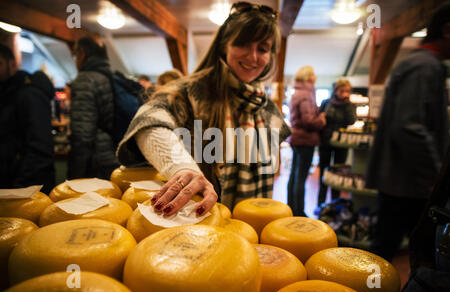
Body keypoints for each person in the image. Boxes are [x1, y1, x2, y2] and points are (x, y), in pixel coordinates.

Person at [116, 1, 290, 216]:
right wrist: (182, 169)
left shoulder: (267, 109)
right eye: (243, 44)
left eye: (263, 49)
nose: (253, 57)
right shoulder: (192, 92)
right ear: (224, 45)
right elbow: (148, 121)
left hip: (251, 224)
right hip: (198, 222)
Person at [366, 2, 450, 262]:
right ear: (447, 30)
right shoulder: (425, 66)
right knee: (401, 252)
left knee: (387, 248)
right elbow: (409, 126)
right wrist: (436, 176)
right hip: (408, 182)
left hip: (400, 179)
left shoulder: (418, 63)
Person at [0, 43, 55, 194]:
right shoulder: (7, 94)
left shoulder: (29, 94)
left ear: (12, 64)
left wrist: (20, 188)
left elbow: (40, 146)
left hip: (25, 187)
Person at [68, 35, 120, 180]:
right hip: (113, 155)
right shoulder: (110, 76)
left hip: (95, 161)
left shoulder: (85, 80)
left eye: (75, 55)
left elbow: (83, 133)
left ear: (82, 53)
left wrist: (75, 174)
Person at [287, 65, 326, 217]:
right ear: (309, 77)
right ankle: (299, 212)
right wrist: (322, 120)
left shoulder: (297, 92)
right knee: (301, 177)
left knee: (294, 175)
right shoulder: (306, 94)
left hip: (296, 138)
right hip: (305, 140)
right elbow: (309, 120)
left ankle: (291, 207)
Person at [317, 78, 356, 205]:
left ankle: (335, 204)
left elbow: (351, 120)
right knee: (323, 173)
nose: (344, 93)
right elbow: (320, 118)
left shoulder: (349, 105)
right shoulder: (326, 102)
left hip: (341, 143)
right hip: (325, 142)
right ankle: (320, 204)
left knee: (338, 174)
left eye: (347, 91)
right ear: (336, 90)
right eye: (342, 90)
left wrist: (346, 104)